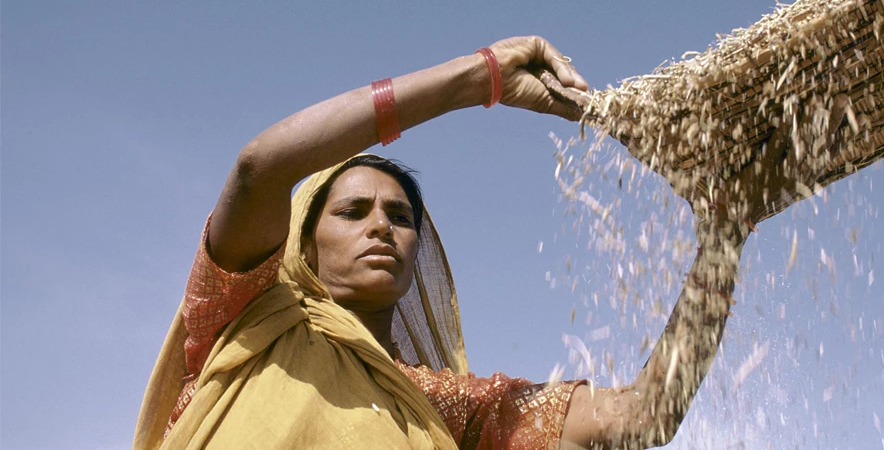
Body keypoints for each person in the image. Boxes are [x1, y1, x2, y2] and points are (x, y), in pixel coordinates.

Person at [135, 36, 756, 449]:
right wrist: (477, 80)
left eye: (400, 217)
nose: (382, 226)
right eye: (353, 211)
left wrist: (726, 231)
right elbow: (258, 169)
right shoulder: (247, 317)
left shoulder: (442, 406)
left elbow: (641, 416)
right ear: (303, 239)